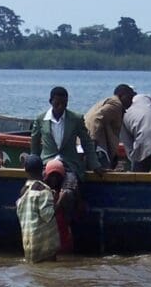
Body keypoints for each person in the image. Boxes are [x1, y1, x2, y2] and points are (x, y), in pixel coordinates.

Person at [31, 86, 104, 217]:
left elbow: (86, 142)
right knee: (39, 191)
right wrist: (33, 164)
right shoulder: (40, 119)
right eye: (57, 103)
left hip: (69, 165)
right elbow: (35, 143)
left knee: (69, 193)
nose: (61, 107)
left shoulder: (75, 118)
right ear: (50, 101)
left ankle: (67, 222)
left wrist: (95, 165)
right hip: (47, 163)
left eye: (64, 104)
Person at [15, 155, 60, 263]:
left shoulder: (23, 190)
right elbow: (48, 215)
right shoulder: (43, 189)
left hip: (28, 244)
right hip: (44, 245)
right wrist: (59, 200)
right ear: (42, 169)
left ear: (26, 170)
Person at [84, 84, 134, 169]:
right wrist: (93, 143)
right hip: (97, 148)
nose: (131, 101)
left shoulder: (110, 103)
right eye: (129, 97)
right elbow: (95, 119)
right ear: (121, 95)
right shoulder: (116, 104)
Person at [42, 157, 74, 254]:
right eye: (52, 175)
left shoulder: (66, 192)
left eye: (57, 176)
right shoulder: (42, 191)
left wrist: (61, 198)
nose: (54, 179)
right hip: (48, 234)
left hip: (63, 229)